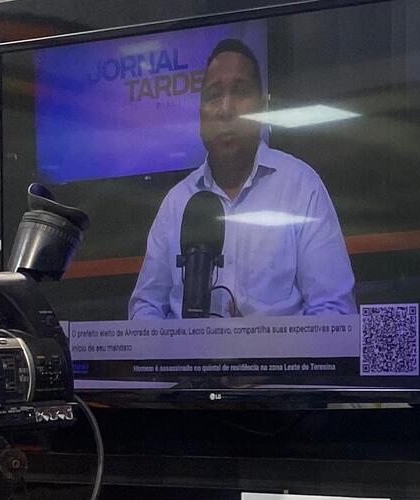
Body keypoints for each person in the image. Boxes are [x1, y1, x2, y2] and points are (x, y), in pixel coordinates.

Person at [128, 38, 355, 319]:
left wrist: (262, 342)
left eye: (239, 92)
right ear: (200, 117)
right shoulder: (177, 202)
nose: (226, 109)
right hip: (188, 349)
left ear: (263, 107)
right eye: (213, 96)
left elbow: (334, 310)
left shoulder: (300, 186)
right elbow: (146, 306)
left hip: (278, 349)